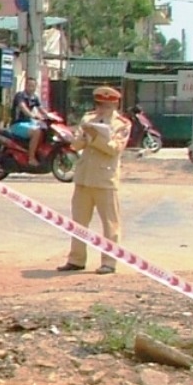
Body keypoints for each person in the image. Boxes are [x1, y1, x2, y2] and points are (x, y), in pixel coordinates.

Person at [58, 85, 131, 275]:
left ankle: (109, 262)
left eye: (107, 105)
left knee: (110, 224)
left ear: (115, 105)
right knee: (79, 221)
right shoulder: (88, 119)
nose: (102, 108)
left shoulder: (121, 124)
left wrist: (97, 138)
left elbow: (115, 149)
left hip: (105, 178)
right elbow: (77, 144)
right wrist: (76, 138)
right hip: (84, 177)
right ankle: (76, 259)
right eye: (100, 104)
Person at [9, 76, 47, 167]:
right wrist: (32, 115)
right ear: (25, 86)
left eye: (33, 86)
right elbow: (23, 107)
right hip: (17, 125)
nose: (31, 88)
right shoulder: (20, 96)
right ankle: (31, 158)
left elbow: (42, 109)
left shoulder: (34, 97)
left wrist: (50, 116)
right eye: (29, 86)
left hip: (28, 123)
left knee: (44, 129)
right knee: (36, 132)